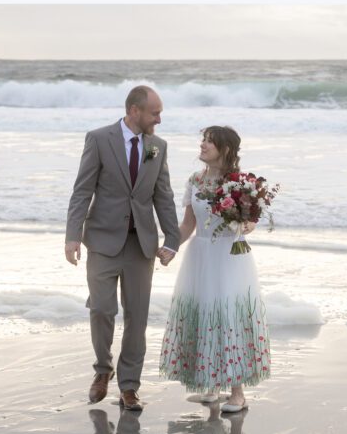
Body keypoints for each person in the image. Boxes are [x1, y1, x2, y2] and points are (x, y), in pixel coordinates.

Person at [66, 85, 181, 411]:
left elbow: (164, 195)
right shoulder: (99, 139)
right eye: (154, 113)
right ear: (134, 111)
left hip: (141, 245)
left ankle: (129, 387)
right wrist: (72, 235)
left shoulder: (157, 147)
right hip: (102, 241)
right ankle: (103, 369)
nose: (159, 119)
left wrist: (171, 240)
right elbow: (82, 190)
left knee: (137, 318)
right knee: (101, 309)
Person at [158, 125, 271, 413]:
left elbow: (252, 218)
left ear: (226, 149)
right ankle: (210, 383)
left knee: (229, 313)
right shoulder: (195, 180)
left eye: (209, 142)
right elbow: (188, 225)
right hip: (201, 253)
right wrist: (171, 246)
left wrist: (249, 224)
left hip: (230, 255)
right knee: (204, 311)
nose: (203, 145)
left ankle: (237, 391)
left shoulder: (241, 182)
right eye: (203, 140)